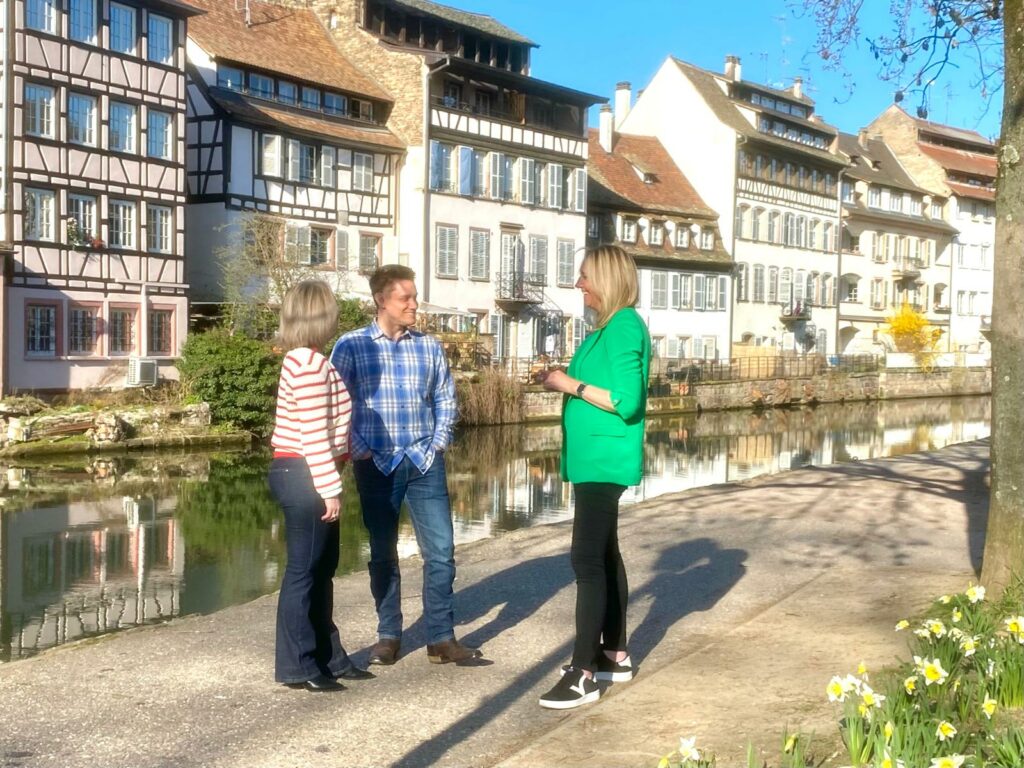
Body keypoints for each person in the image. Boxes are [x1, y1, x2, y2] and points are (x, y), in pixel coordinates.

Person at [331, 265, 485, 667]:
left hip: (423, 462)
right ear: (382, 300)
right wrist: (359, 447)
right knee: (383, 554)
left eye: (415, 297)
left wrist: (437, 443)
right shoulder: (350, 346)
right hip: (376, 462)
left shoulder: (429, 346)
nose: (414, 304)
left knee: (442, 552)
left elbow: (445, 399)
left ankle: (441, 637)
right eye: (406, 298)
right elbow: (338, 405)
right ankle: (388, 635)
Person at [535, 245, 651, 709]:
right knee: (604, 553)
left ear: (605, 278)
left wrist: (567, 384)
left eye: (584, 276)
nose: (578, 284)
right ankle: (614, 654)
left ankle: (582, 671)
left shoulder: (623, 326)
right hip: (593, 459)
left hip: (605, 459)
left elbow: (627, 399)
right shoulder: (606, 329)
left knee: (586, 560)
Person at [268, 279, 374, 692]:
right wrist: (330, 488)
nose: (336, 315)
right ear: (319, 314)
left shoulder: (308, 359)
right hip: (305, 473)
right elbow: (313, 433)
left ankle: (330, 658)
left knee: (321, 570)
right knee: (304, 572)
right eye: (331, 309)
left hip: (306, 471)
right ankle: (299, 666)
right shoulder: (309, 365)